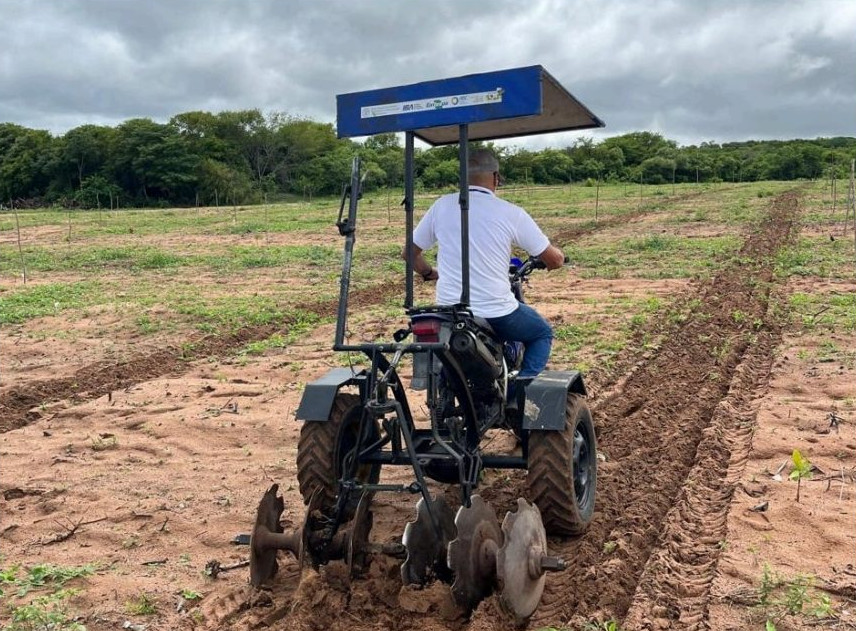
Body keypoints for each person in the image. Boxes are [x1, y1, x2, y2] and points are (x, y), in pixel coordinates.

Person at [405, 148, 565, 379]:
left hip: (448, 311)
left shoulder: (441, 206)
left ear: (462, 177)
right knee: (542, 333)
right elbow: (554, 260)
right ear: (496, 177)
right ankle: (518, 392)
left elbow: (409, 253)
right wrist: (558, 257)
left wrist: (429, 272)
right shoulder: (511, 212)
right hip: (496, 312)